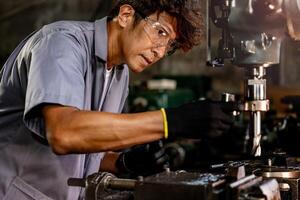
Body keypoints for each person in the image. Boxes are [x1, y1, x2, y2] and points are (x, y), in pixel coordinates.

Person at [0, 0, 237, 199]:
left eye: (170, 45)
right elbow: (63, 133)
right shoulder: (60, 42)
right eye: (160, 32)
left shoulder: (119, 73)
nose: (160, 51)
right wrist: (170, 121)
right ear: (125, 15)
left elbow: (88, 154)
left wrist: (125, 162)